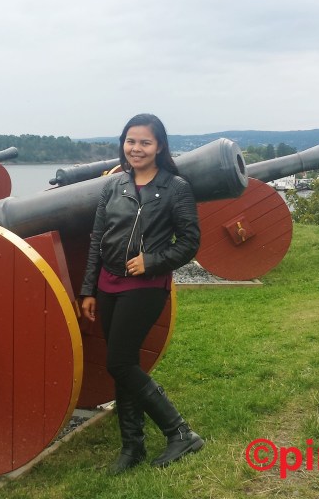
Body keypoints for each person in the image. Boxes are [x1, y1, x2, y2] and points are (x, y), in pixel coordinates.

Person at [79, 113, 204, 474]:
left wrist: (152, 261)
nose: (136, 148)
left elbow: (190, 242)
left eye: (145, 142)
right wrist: (88, 288)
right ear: (123, 144)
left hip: (145, 286)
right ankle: (132, 447)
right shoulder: (113, 186)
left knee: (119, 362)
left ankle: (179, 431)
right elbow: (96, 241)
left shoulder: (176, 187)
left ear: (159, 146)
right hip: (107, 285)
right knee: (124, 364)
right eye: (130, 141)